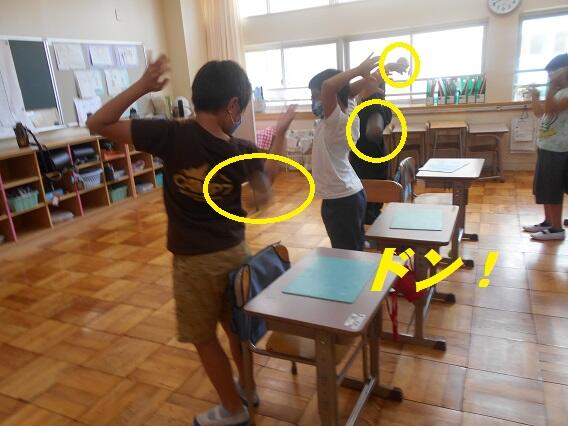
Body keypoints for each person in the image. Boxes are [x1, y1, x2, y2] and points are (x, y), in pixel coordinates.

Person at [87, 55, 296, 426]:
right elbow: (265, 190)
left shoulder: (170, 135)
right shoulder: (240, 149)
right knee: (235, 329)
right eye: (240, 110)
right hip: (236, 254)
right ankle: (246, 390)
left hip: (193, 262)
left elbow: (97, 123)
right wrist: (278, 135)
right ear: (232, 105)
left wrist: (143, 86)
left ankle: (233, 411)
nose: (239, 117)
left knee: (203, 337)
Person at [308, 56, 383, 251]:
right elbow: (345, 91)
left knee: (346, 253)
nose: (314, 102)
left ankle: (358, 269)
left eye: (316, 96)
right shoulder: (347, 111)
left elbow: (328, 87)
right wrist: (372, 74)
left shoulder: (337, 122)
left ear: (331, 96)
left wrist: (358, 70)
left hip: (341, 200)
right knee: (352, 248)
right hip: (346, 194)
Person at [349, 61, 408, 225]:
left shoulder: (374, 104)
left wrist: (391, 66)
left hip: (369, 158)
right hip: (370, 158)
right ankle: (371, 223)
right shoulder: (374, 104)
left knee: (370, 199)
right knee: (370, 199)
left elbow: (374, 130)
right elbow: (374, 130)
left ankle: (371, 224)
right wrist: (391, 66)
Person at [523, 53, 568, 241]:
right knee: (545, 187)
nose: (550, 77)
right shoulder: (558, 92)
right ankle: (548, 222)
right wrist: (535, 97)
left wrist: (551, 86)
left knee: (553, 188)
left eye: (553, 73)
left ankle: (557, 229)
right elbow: (540, 112)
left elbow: (550, 108)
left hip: (559, 149)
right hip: (547, 146)